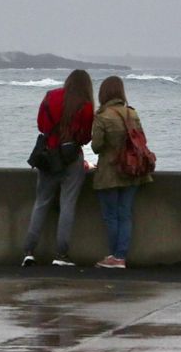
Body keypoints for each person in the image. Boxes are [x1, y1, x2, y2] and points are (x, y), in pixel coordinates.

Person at [21, 69, 94, 267]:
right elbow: (86, 137)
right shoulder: (86, 106)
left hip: (47, 157)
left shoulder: (50, 96)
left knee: (41, 202)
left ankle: (29, 251)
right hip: (71, 159)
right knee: (67, 204)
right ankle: (61, 254)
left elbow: (40, 125)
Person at [90, 76, 153, 269]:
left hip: (109, 172)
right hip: (133, 170)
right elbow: (142, 140)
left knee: (111, 215)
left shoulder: (102, 116)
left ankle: (114, 257)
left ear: (104, 93)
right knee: (125, 214)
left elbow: (96, 146)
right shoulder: (132, 114)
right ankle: (121, 257)